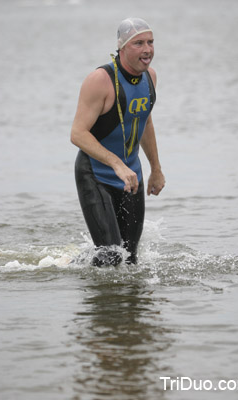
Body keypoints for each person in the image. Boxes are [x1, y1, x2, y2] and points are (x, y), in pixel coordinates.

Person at [70, 17, 165, 266]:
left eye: (151, 42)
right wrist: (116, 164)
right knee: (110, 257)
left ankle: (124, 303)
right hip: (96, 174)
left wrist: (155, 169)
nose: (147, 49)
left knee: (130, 260)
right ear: (122, 47)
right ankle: (75, 276)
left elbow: (145, 124)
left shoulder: (150, 78)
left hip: (130, 176)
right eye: (139, 43)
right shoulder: (100, 80)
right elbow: (78, 134)